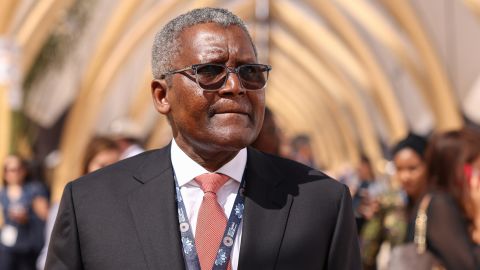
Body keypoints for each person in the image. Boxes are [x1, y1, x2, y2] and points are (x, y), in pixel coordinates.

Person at [45, 7, 360, 270]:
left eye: (250, 72)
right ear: (161, 96)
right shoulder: (92, 204)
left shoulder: (321, 204)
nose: (235, 86)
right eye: (210, 71)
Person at [399, 130, 480, 269]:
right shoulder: (440, 204)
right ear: (458, 170)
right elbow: (467, 266)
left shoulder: (439, 201)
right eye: (475, 169)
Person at [36, 136, 120, 270]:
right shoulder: (69, 206)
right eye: (102, 165)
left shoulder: (125, 205)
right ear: (87, 165)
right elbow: (50, 257)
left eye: (116, 166)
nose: (109, 172)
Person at [0, 155, 49, 270]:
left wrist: (29, 216)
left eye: (17, 169)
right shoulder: (2, 194)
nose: (14, 173)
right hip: (6, 249)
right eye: (9, 170)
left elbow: (46, 216)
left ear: (24, 170)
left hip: (29, 249)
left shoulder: (35, 190)